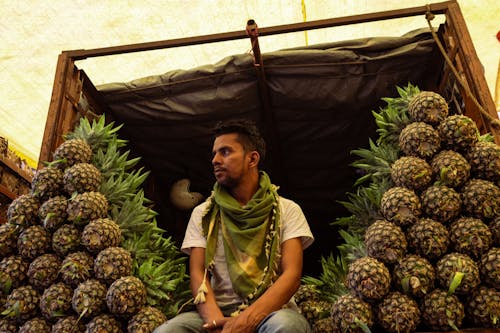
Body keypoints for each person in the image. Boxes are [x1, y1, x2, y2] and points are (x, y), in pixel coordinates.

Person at [154, 119, 314, 333]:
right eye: (214, 154)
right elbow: (197, 271)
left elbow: (292, 275)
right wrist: (217, 323)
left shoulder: (287, 209)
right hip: (217, 312)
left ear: (252, 158)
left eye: (225, 152)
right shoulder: (203, 213)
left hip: (272, 313)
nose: (215, 160)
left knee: (288, 326)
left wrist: (245, 321)